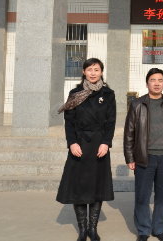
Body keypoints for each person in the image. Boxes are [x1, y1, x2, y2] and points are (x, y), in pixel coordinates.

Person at [56, 58, 116, 241]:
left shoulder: (108, 93)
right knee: (79, 188)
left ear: (101, 72)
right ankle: (82, 229)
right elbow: (69, 121)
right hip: (79, 145)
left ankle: (93, 229)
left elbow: (111, 121)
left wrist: (106, 142)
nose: (92, 73)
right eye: (89, 69)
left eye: (96, 69)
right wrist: (72, 142)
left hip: (99, 145)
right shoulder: (75, 93)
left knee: (98, 188)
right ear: (83, 71)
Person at [124, 68, 163, 241]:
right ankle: (143, 230)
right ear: (147, 83)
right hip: (145, 157)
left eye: (160, 80)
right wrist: (130, 158)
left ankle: (159, 229)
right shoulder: (137, 105)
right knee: (142, 195)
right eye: (153, 80)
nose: (156, 83)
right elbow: (129, 133)